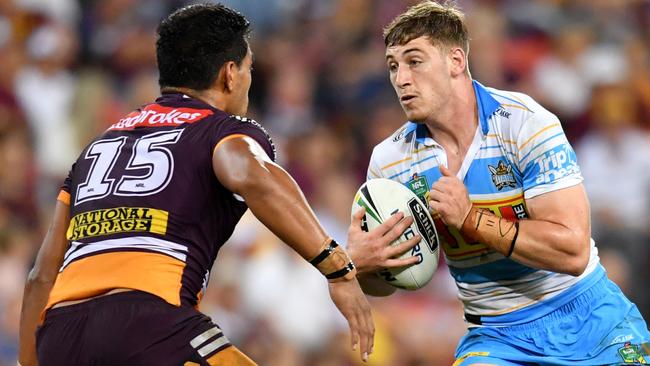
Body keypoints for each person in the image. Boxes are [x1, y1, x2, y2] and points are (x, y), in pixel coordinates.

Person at [17, 4, 421, 365]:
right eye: (248, 68)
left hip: (61, 334)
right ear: (230, 73)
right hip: (151, 325)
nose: (248, 80)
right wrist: (339, 269)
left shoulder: (95, 149)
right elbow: (249, 173)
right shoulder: (222, 130)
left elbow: (40, 276)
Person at [346, 1, 650, 365]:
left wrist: (472, 219)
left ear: (456, 61)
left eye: (414, 61)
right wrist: (363, 266)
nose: (401, 79)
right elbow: (388, 282)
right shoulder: (390, 161)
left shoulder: (526, 124)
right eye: (393, 66)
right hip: (496, 336)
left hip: (589, 315)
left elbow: (573, 251)